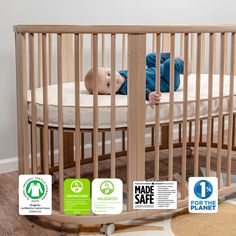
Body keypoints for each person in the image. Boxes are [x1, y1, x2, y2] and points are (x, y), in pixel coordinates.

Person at [84, 52, 191, 106]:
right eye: (108, 84)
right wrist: (149, 95)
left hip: (157, 70)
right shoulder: (126, 87)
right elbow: (140, 91)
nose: (112, 79)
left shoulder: (121, 73)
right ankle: (183, 66)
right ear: (108, 93)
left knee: (149, 58)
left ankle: (174, 56)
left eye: (108, 73)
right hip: (167, 81)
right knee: (169, 64)